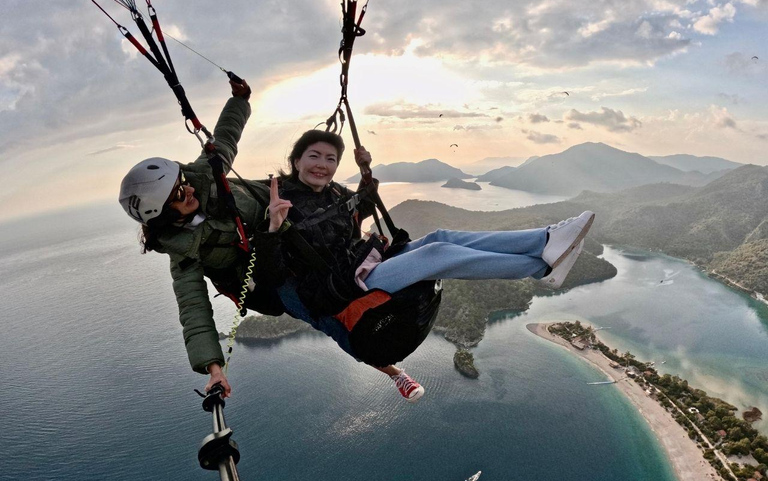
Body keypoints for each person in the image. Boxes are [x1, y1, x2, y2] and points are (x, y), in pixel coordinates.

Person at [119, 84, 594, 404]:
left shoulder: (209, 178)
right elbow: (193, 311)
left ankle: (545, 241)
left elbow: (225, 139)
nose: (187, 191)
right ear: (160, 216)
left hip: (333, 260)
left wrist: (240, 99)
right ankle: (541, 266)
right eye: (177, 196)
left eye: (182, 182)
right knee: (347, 318)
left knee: (439, 240)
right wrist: (211, 367)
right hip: (281, 279)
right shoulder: (185, 252)